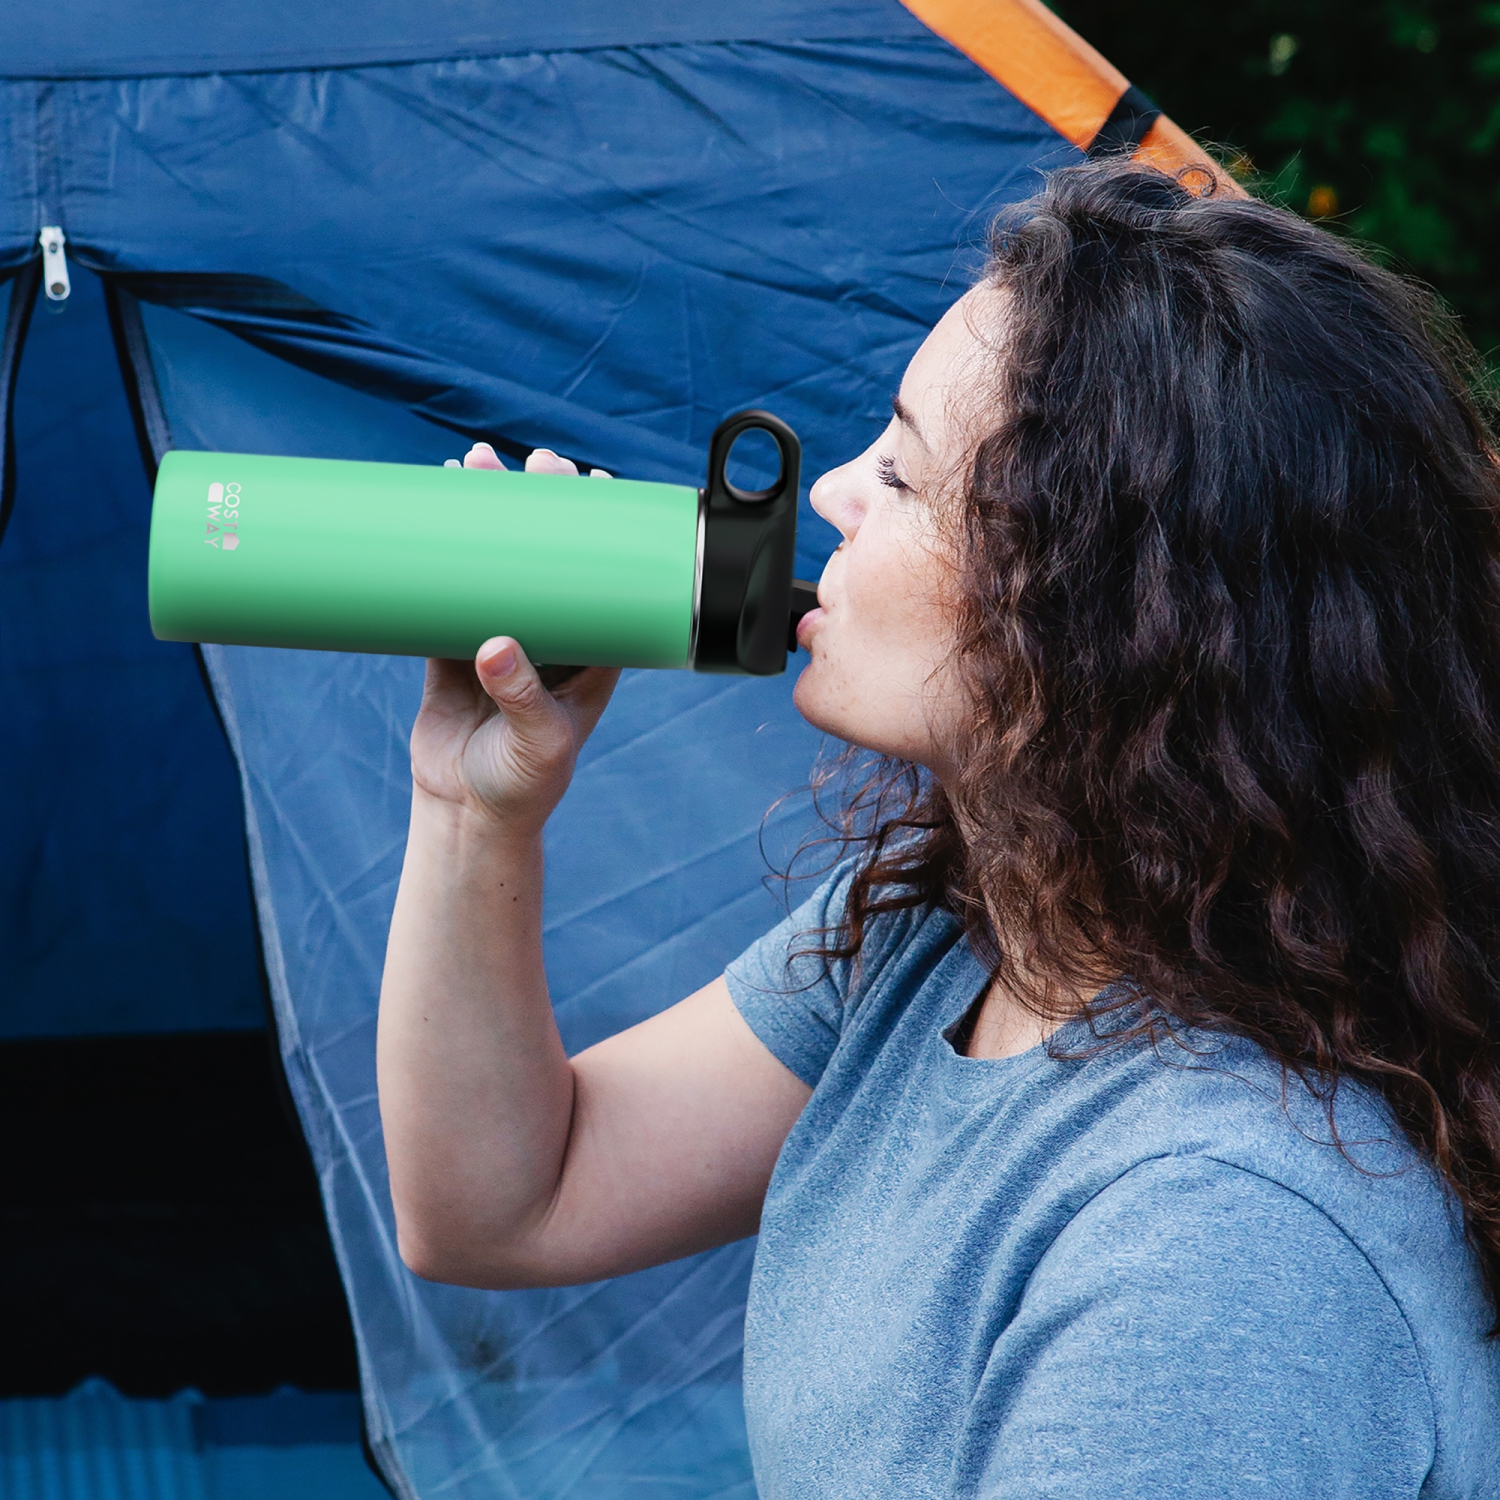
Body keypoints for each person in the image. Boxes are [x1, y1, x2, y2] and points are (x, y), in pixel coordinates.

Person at [376, 160, 1500, 1497]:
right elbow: (507, 1203)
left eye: (904, 476)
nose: (838, 492)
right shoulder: (962, 929)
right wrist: (474, 806)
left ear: (1103, 612)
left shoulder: (1218, 1240)